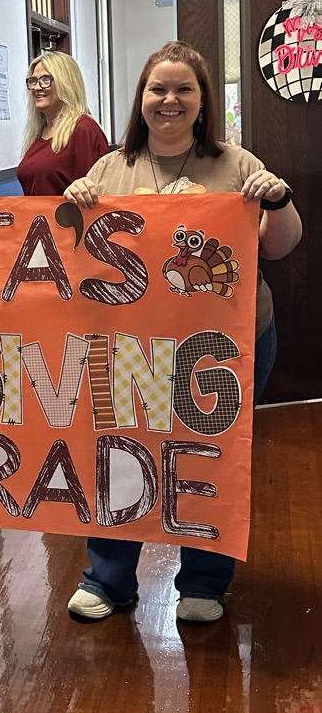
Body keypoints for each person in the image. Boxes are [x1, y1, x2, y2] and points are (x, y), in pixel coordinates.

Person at [62, 40, 302, 623]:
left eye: (183, 89)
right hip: (131, 345)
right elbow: (69, 252)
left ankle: (204, 582)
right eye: (157, 89)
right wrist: (73, 203)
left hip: (227, 341)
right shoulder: (110, 168)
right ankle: (109, 579)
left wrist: (279, 199)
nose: (169, 99)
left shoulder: (237, 164)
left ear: (202, 102)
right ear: (140, 99)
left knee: (210, 454)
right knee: (122, 452)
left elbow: (280, 243)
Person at [17, 51, 109, 195]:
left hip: (67, 217)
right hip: (38, 217)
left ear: (65, 83)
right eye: (33, 81)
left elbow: (99, 191)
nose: (36, 87)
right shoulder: (40, 132)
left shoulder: (83, 128)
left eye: (45, 79)